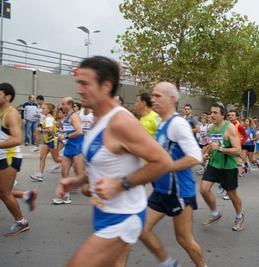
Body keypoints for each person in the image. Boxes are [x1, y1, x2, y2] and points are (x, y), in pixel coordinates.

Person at [54, 56, 173, 267]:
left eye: (85, 84)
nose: (79, 90)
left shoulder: (121, 121)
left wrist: (120, 184)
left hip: (123, 217)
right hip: (103, 212)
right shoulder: (98, 120)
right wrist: (78, 180)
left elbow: (163, 162)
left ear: (106, 85)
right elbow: (104, 165)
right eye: (78, 83)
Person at [139, 82, 207, 267]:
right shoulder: (162, 123)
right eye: (152, 95)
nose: (152, 99)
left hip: (179, 192)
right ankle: (168, 263)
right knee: (141, 229)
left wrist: (167, 167)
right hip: (161, 191)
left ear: (171, 99)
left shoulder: (178, 124)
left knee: (184, 239)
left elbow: (196, 155)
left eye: (157, 96)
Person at [0, 83, 37, 236]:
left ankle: (21, 222)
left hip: (10, 157)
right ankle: (27, 195)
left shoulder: (11, 114)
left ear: (7, 97)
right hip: (0, 157)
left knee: (3, 193)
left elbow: (17, 139)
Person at [200, 102, 245, 231]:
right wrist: (207, 154)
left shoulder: (229, 127)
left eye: (215, 113)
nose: (212, 115)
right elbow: (212, 144)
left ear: (223, 115)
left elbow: (237, 150)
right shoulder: (211, 127)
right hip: (214, 164)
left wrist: (220, 149)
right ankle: (215, 213)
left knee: (232, 195)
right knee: (203, 190)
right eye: (211, 112)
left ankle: (239, 216)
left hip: (227, 167)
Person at [52, 97, 84, 204]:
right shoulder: (66, 117)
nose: (61, 106)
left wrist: (65, 136)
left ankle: (97, 189)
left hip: (77, 147)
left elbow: (79, 131)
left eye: (63, 104)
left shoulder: (73, 116)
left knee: (80, 174)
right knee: (63, 171)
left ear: (69, 105)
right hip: (69, 147)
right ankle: (66, 196)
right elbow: (69, 130)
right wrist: (60, 131)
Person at [30, 103, 62, 181]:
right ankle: (40, 174)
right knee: (42, 157)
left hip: (52, 140)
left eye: (44, 108)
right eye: (42, 108)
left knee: (57, 159)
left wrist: (41, 130)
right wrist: (39, 129)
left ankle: (72, 161)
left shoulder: (49, 118)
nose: (42, 110)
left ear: (49, 110)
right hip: (47, 140)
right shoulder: (46, 117)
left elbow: (50, 129)